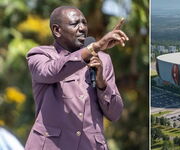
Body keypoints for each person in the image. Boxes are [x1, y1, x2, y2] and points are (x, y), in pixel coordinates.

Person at [24, 6, 129, 150]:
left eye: (84, 23)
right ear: (57, 30)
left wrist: (101, 83)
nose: (82, 28)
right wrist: (94, 47)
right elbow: (51, 72)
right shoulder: (40, 55)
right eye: (75, 24)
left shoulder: (103, 60)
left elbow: (115, 113)